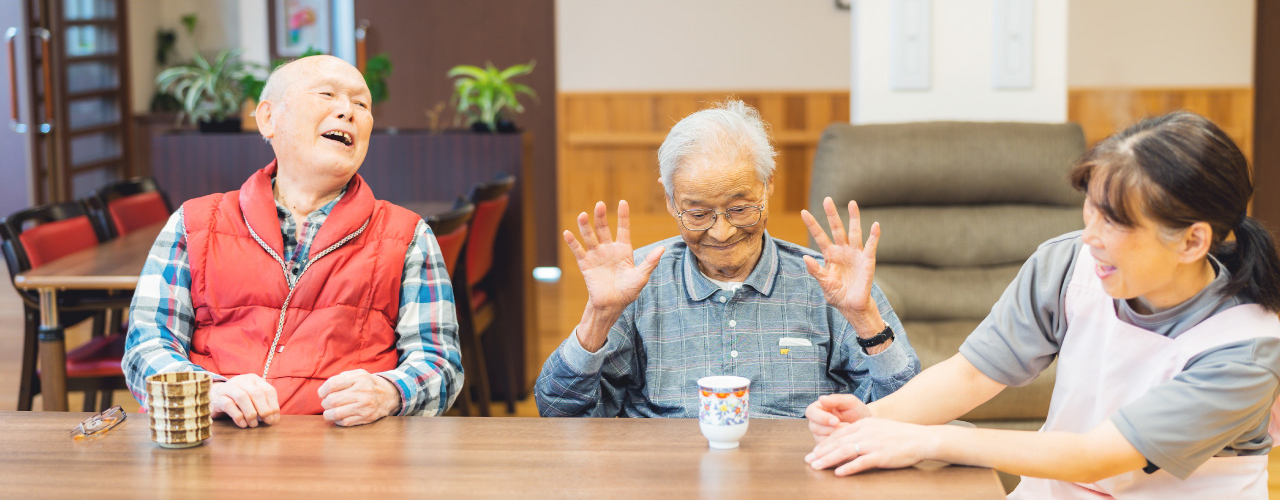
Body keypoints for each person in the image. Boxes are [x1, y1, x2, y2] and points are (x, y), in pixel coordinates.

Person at [804, 112, 1280, 498]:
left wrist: (928, 439)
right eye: (1090, 208)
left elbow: (1100, 454)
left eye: (1115, 222)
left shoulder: (1245, 348)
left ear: (1193, 241)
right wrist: (875, 419)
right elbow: (973, 372)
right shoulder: (1068, 262)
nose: (1089, 237)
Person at [123, 55, 463, 427]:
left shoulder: (409, 235)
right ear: (268, 118)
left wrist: (388, 392)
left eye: (361, 104)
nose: (347, 111)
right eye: (328, 94)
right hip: (213, 450)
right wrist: (210, 391)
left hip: (349, 460)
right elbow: (146, 347)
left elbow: (440, 364)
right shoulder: (193, 224)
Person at [534, 100, 920, 418]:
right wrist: (598, 316)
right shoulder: (637, 283)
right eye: (698, 214)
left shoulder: (829, 284)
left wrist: (866, 319)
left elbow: (908, 409)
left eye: (739, 209)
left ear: (767, 187)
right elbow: (556, 412)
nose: (721, 233)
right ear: (670, 201)